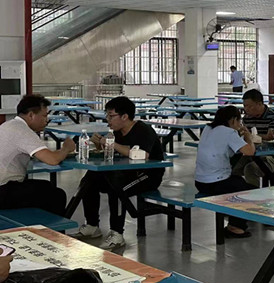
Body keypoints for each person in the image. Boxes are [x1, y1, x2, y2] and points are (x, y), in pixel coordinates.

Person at [73, 96, 165, 250]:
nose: (108, 119)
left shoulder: (143, 130)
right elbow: (111, 154)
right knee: (90, 179)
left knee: (116, 188)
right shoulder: (116, 132)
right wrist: (99, 144)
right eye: (107, 115)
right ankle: (92, 225)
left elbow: (142, 155)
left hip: (147, 176)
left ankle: (117, 234)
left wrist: (111, 143)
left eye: (111, 116)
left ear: (124, 116)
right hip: (124, 173)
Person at [0, 95, 75, 216]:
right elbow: (52, 160)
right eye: (44, 116)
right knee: (57, 195)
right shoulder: (22, 130)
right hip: (3, 190)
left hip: (6, 186)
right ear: (31, 115)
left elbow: (43, 154)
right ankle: (50, 228)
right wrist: (66, 148)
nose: (47, 120)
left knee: (44, 187)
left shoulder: (8, 125)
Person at [195, 105, 256, 238]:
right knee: (248, 190)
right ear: (233, 120)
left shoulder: (207, 129)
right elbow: (249, 151)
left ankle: (237, 218)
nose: (240, 124)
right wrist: (248, 138)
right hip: (217, 183)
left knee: (240, 182)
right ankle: (236, 227)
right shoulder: (228, 132)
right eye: (239, 121)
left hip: (200, 182)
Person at [233, 89, 274, 187]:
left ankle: (254, 195)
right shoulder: (247, 118)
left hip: (272, 158)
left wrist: (250, 136)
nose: (246, 109)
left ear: (259, 104)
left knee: (250, 169)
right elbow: (244, 135)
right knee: (232, 168)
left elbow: (271, 136)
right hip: (251, 154)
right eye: (244, 106)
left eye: (249, 106)